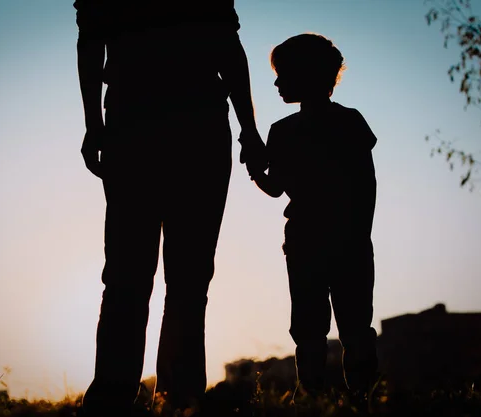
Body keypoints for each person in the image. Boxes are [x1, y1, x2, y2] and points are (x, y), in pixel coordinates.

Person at [73, 1, 266, 416]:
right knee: (170, 278)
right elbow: (228, 48)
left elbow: (90, 43)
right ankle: (172, 398)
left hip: (148, 120)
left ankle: (144, 397)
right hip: (178, 121)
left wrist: (94, 124)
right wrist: (248, 130)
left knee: (143, 275)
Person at [248, 33, 379, 400]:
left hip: (310, 240)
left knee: (312, 327)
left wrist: (258, 171)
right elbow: (366, 185)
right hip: (341, 240)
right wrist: (358, 235)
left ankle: (315, 398)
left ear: (306, 75)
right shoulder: (347, 122)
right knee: (351, 325)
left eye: (283, 74)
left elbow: (275, 189)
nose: (276, 83)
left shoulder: (285, 131)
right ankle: (358, 398)